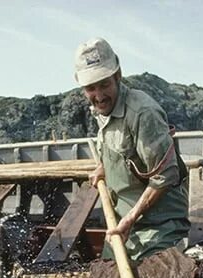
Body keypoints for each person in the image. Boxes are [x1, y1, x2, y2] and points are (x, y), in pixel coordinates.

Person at [75, 37, 189, 261]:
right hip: (123, 219)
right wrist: (104, 167)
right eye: (90, 87)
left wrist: (130, 218)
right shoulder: (102, 109)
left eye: (104, 84)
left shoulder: (143, 113)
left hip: (159, 224)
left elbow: (165, 176)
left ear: (118, 76)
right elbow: (119, 149)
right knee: (108, 271)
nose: (98, 95)